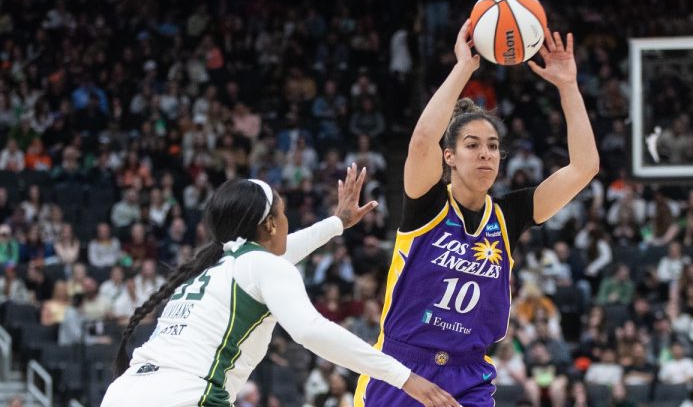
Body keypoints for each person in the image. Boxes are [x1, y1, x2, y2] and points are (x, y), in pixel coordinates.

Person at [354, 21, 598, 406]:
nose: (486, 153)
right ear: (448, 156)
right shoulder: (427, 205)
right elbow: (421, 141)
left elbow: (584, 167)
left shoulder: (509, 215)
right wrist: (463, 68)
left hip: (469, 375)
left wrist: (568, 87)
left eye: (493, 146)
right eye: (472, 144)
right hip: (402, 369)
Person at [102, 168, 459, 407]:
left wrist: (337, 223)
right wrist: (405, 377)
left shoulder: (212, 269)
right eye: (284, 214)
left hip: (122, 394)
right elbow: (311, 331)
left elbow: (282, 254)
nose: (288, 223)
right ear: (271, 225)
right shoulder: (260, 266)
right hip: (183, 397)